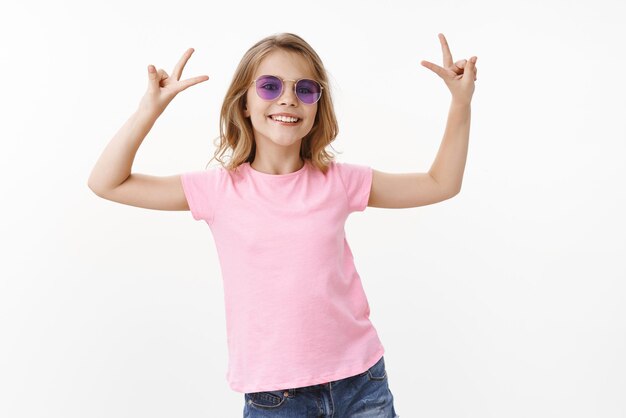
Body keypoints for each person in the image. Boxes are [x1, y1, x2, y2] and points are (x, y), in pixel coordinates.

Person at [87, 32, 477, 418]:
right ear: (243, 103)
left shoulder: (339, 181)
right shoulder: (218, 190)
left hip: (361, 383)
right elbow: (107, 182)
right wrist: (148, 111)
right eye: (270, 86)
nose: (288, 98)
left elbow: (440, 184)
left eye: (305, 89)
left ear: (316, 107)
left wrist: (461, 103)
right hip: (274, 397)